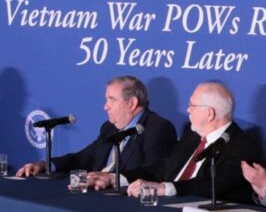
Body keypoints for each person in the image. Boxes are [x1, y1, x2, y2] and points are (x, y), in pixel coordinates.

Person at [16, 75, 176, 189]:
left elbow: (155, 172)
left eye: (111, 100)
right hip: (94, 191)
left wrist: (113, 179)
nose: (105, 106)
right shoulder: (109, 127)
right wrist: (46, 165)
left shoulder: (157, 128)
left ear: (132, 103)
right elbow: (84, 157)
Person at [127, 81, 256, 203]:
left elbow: (212, 184)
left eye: (192, 105)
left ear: (209, 113)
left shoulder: (241, 145)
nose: (188, 110)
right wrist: (117, 178)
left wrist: (164, 188)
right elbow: (164, 167)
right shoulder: (192, 136)